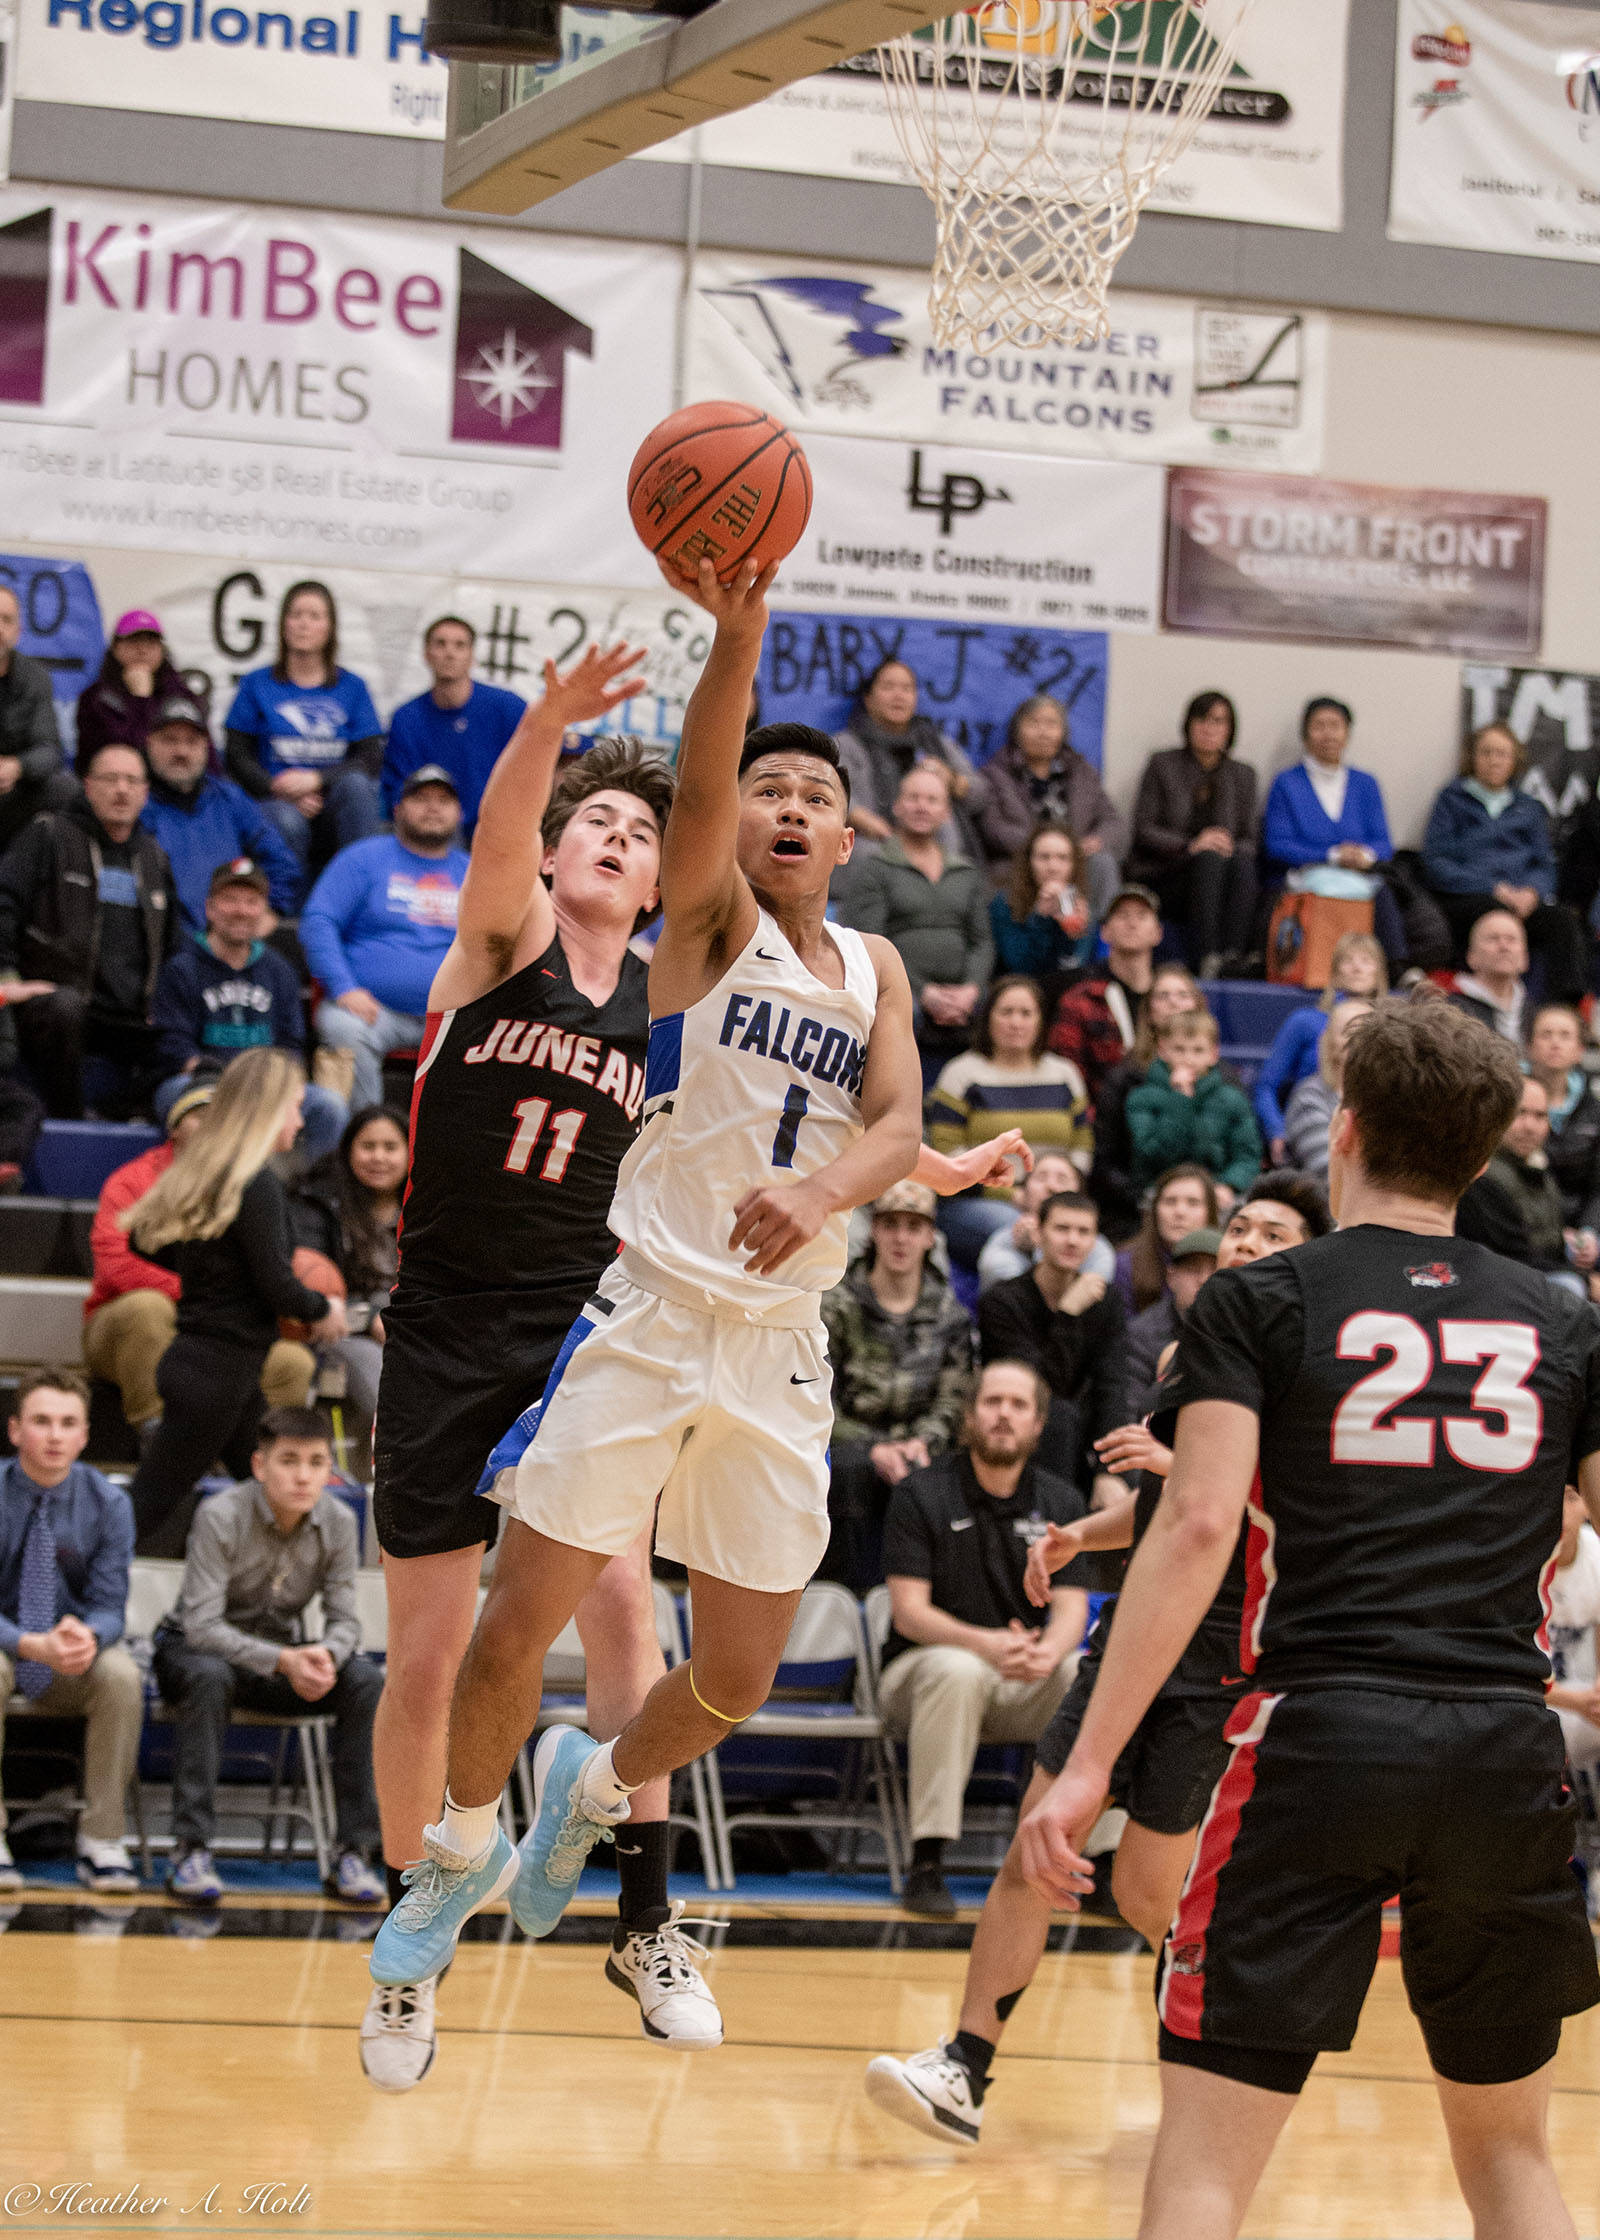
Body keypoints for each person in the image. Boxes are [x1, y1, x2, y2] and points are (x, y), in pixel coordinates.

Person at [368, 556, 1025, 2004]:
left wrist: (862, 1182)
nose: (783, 809)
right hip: (634, 1315)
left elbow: (898, 1122)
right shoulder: (701, 922)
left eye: (814, 798)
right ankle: (446, 1871)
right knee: (502, 1630)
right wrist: (739, 634)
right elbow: (709, 770)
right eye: (764, 794)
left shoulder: (873, 972)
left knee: (730, 1673)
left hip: (781, 1345)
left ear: (853, 833)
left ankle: (590, 1803)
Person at [1018, 1000, 1600, 2240]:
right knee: (1512, 2163)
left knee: (1205, 2171)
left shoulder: (1262, 1297)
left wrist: (1081, 1769)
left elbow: (1192, 1529)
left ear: (1343, 1129)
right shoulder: (1562, 1320)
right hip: (1505, 1749)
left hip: (1317, 1738)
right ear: (1486, 1155)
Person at [360, 659, 690, 2090]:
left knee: (623, 1597)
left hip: (577, 1334)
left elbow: (788, 1120)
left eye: (642, 832)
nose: (617, 839)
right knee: (429, 1654)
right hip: (441, 1329)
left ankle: (648, 1911)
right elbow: (504, 837)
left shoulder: (667, 1016)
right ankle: (411, 1939)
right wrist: (549, 729)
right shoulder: (499, 949)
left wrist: (920, 1157)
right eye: (594, 823)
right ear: (554, 853)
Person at [864, 1174, 1329, 2148]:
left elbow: (1295, 1516)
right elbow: (1166, 1512)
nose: (1243, 1240)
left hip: (1221, 1655)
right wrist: (1085, 1532)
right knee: (1043, 1837)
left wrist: (1188, 1469)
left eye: (1269, 1233)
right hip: (1130, 1645)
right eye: (1236, 1226)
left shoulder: (1308, 1371)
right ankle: (964, 2066)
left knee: (1146, 1892)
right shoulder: (1182, 1352)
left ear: (1303, 1259)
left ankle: (1236, 2062)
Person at [877, 1360, 1094, 1918]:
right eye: (992, 1402)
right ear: (969, 1415)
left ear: (1039, 1423)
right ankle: (928, 1860)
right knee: (958, 1670)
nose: (1004, 1415)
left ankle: (1099, 1859)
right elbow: (909, 1614)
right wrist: (989, 1645)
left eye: (1018, 1405)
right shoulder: (922, 1493)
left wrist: (1048, 1653)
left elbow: (1072, 1607)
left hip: (1023, 1679)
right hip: (920, 1677)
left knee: (1092, 1675)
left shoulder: (1062, 1502)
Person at [154, 1406, 385, 1906]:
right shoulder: (220, 1515)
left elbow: (346, 1620)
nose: (303, 1475)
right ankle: (191, 1850)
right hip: (193, 1652)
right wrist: (287, 1661)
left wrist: (324, 1654)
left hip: (281, 1654)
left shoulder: (340, 1523)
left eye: (316, 1462)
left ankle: (354, 1852)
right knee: (210, 1676)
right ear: (260, 1466)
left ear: (330, 1469)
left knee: (366, 1681)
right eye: (289, 1461)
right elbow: (202, 1626)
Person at [123, 1048, 344, 1560]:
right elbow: (278, 1286)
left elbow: (142, 1240)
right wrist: (323, 1309)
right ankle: (48, 1601)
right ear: (268, 1109)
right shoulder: (256, 1182)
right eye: (293, 1105)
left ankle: (279, 1610)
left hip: (218, 1368)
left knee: (277, 1494)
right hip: (215, 1374)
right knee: (145, 1507)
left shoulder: (220, 1175)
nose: (300, 1118)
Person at [82, 1080, 315, 1445]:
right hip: (123, 1329)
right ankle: (156, 1433)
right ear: (174, 1127)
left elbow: (273, 1271)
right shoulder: (132, 1180)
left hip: (211, 1335)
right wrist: (198, 1292)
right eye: (201, 1116)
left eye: (220, 1117)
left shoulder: (249, 1186)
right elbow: (115, 1262)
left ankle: (266, 1460)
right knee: (148, 1308)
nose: (213, 1125)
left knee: (293, 1364)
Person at [0, 1369, 142, 1895]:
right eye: (41, 1422)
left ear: (84, 1435)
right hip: (8, 1649)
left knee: (122, 1674)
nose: (54, 1436)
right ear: (16, 1430)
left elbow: (110, 1607)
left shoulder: (110, 1503)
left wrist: (85, 1635)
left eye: (67, 1423)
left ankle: (102, 1840)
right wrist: (26, 1643)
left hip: (69, 1653)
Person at [0, 739, 176, 1119]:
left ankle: (114, 1113)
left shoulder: (153, 858)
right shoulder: (49, 835)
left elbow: (173, 942)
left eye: (132, 781)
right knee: (64, 1010)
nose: (121, 790)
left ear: (145, 793)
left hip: (126, 1012)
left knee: (182, 1038)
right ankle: (71, 1120)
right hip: (52, 999)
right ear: (88, 786)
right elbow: (4, 904)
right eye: (110, 779)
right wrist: (8, 978)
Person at [817, 1180, 976, 1595]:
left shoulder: (949, 1315)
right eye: (891, 1225)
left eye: (913, 1226)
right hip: (848, 1446)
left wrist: (920, 1443)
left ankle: (932, 1604)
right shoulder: (837, 1305)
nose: (901, 1238)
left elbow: (952, 1400)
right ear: (874, 1231)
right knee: (849, 1472)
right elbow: (818, 1399)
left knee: (942, 1479)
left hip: (922, 1450)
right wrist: (873, 1449)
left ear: (930, 1237)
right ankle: (844, 1606)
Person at [151, 860, 346, 1160]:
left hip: (267, 1084)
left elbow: (291, 1045)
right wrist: (225, 1078)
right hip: (205, 1082)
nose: (241, 910)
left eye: (251, 902)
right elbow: (173, 1046)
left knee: (327, 1107)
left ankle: (309, 1197)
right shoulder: (181, 968)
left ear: (264, 910)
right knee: (175, 1092)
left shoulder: (279, 970)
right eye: (230, 900)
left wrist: (275, 1083)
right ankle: (201, 1188)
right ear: (210, 908)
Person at [301, 768, 470, 1110]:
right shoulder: (363, 858)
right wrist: (344, 986)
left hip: (454, 1018)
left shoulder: (476, 873)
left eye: (443, 801)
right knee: (343, 1030)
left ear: (460, 814)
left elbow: (502, 944)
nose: (432, 808)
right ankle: (363, 1144)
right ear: (397, 810)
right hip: (373, 1012)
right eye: (420, 799)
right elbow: (318, 921)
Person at [837, 760, 992, 1074]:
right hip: (900, 995)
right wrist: (923, 992)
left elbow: (982, 941)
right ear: (897, 806)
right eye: (914, 798)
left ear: (947, 812)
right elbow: (867, 946)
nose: (922, 807)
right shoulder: (875, 868)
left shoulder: (965, 872)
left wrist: (971, 989)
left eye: (933, 800)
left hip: (964, 996)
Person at [926, 976, 1091, 1270]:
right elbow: (949, 1157)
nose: (1016, 1022)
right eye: (1006, 1012)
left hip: (1056, 1197)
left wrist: (1058, 1194)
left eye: (1026, 1013)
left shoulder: (1065, 1074)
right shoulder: (962, 1074)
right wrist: (1015, 1195)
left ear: (1041, 1021)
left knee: (1082, 1240)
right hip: (979, 1201)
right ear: (988, 1018)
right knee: (1028, 1232)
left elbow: (1081, 1147)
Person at [978, 1190, 1127, 1506]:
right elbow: (1039, 1388)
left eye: (1083, 1232)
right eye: (1062, 1229)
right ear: (1039, 1233)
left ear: (1094, 1241)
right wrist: (1069, 1314)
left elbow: (1112, 1387)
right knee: (1058, 1417)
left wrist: (1109, 1472)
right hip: (1021, 1432)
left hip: (1087, 1438)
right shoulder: (1003, 1301)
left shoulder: (1107, 1302)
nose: (1072, 1240)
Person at [1422, 722, 1589, 1002]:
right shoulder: (1451, 800)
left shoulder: (1529, 807)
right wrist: (1492, 888)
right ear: (1472, 758)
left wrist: (1532, 892)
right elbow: (1436, 862)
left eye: (1502, 753)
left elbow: (1545, 864)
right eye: (1486, 752)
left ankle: (1564, 1011)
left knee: (1562, 923)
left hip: (1522, 901)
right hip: (1469, 898)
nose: (1494, 760)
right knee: (1496, 914)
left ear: (1514, 761)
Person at [224, 581, 384, 870]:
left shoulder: (353, 688)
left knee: (359, 787)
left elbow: (370, 759)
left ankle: (361, 891)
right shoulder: (256, 684)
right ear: (283, 624)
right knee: (287, 821)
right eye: (296, 615)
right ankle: (288, 912)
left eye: (314, 616)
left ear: (330, 627)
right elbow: (236, 754)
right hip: (274, 802)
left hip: (333, 805)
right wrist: (277, 788)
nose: (303, 624)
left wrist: (316, 780)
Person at [291, 1106, 407, 1476]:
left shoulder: (427, 1210)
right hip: (343, 1333)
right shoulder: (319, 1205)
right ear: (347, 1151)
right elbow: (310, 1291)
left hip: (410, 1328)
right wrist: (371, 1316)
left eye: (390, 1147)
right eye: (367, 1146)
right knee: (389, 1387)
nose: (379, 1157)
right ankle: (388, 1479)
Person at [1261, 697, 1407, 969]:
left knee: (1384, 892)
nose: (1328, 734)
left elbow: (1383, 843)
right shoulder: (1287, 782)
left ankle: (1396, 968)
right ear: (1305, 736)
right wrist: (1332, 855)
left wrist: (1363, 855)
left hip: (1358, 874)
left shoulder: (1366, 783)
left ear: (1347, 734)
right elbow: (1277, 844)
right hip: (1305, 875)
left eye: (1335, 726)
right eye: (1319, 726)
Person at [140, 692, 301, 930]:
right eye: (170, 740)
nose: (181, 752)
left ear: (206, 748)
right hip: (165, 945)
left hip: (228, 943)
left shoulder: (230, 800)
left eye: (191, 742)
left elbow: (281, 863)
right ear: (150, 744)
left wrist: (271, 909)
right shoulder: (136, 804)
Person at [1128, 692, 1259, 976]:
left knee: (1242, 863)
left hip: (1226, 873)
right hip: (1167, 873)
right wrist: (1193, 844)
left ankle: (1234, 956)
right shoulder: (1163, 765)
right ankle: (1207, 957)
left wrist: (1227, 846)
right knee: (1209, 858)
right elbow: (1145, 830)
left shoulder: (1243, 775)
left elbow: (1251, 839)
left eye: (1218, 721)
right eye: (1202, 719)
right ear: (1188, 724)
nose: (1209, 728)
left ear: (1230, 729)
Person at [978, 695, 1126, 922]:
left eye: (1051, 724)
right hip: (1021, 861)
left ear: (1063, 732)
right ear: (1017, 731)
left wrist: (1096, 841)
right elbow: (993, 827)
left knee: (1103, 863)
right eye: (1034, 723)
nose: (1043, 732)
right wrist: (1042, 850)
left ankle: (1103, 941)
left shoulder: (1081, 771)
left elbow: (1113, 821)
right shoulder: (995, 773)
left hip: (1076, 858)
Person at [1089, 963, 1210, 1239]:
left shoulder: (1223, 1078)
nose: (1174, 1003)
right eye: (1163, 996)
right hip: (1135, 1204)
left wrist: (1223, 1187)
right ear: (1148, 1008)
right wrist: (1146, 1197)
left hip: (1209, 1202)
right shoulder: (1124, 1077)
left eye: (1182, 995)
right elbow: (1106, 1159)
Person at [381, 617, 526, 836]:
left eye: (460, 645)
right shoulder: (406, 718)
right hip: (432, 833)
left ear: (471, 656)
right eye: (440, 644)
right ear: (426, 654)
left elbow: (532, 771)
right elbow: (398, 789)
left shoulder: (508, 708)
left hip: (497, 831)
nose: (450, 653)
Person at [831, 658, 986, 859]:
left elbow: (981, 796)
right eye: (888, 687)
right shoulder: (845, 745)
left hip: (939, 849)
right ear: (868, 698)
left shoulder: (937, 744)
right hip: (873, 845)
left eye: (907, 689)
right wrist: (861, 819)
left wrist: (952, 779)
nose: (899, 695)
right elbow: (828, 793)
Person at [1252, 931, 1387, 1160]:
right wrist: (1277, 1131)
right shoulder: (1305, 1021)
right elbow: (1265, 1086)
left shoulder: (1392, 1025)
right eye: (1348, 960)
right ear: (1335, 971)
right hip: (1313, 1120)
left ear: (1379, 972)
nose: (1357, 968)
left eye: (1366, 960)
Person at [1456, 1075, 1585, 1290]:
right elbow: (1515, 1258)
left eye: (1540, 1116)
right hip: (1505, 1284)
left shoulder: (1540, 1167)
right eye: (1520, 1113)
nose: (1530, 1126)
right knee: (1571, 1286)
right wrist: (1587, 1279)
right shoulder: (1483, 1178)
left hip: (1543, 1272)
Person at [1125, 1008, 1263, 1203]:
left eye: (1198, 1050)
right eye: (1179, 1049)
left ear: (1213, 1054)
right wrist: (1180, 1099)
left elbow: (1247, 1156)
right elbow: (1151, 1154)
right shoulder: (1142, 1098)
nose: (1188, 1058)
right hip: (1159, 1193)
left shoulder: (1232, 1099)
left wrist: (1229, 1185)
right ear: (1163, 1050)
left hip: (1216, 1194)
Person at [1048, 884, 1164, 1114]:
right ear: (1104, 932)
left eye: (1142, 916)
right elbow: (1068, 1073)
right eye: (1122, 915)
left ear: (1158, 933)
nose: (1132, 923)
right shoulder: (1081, 997)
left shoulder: (1175, 996)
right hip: (1100, 1123)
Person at [1546, 1484, 1600, 1907]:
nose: (1563, 1510)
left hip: (1587, 1701)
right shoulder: (1523, 1555)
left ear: (1586, 1505)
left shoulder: (1596, 1556)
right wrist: (1575, 1702)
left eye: (1571, 1496)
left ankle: (1594, 1864)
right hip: (1540, 1698)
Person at [976, 1148, 1116, 1294]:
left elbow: (1094, 1303)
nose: (1051, 1187)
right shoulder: (1004, 1244)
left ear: (1080, 1193)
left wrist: (1039, 1248)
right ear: (1023, 1192)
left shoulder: (1098, 1249)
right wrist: (1030, 1252)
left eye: (1062, 1179)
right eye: (1041, 1178)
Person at [0, 583, 74, 855]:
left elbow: (49, 750)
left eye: (6, 620)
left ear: (18, 632)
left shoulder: (34, 677)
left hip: (10, 793)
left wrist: (16, 767)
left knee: (66, 790)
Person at [75, 610, 190, 770]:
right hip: (119, 782)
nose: (142, 650)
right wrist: (141, 699)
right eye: (134, 641)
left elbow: (203, 749)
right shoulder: (95, 699)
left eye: (151, 642)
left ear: (162, 650)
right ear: (116, 648)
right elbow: (125, 754)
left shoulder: (180, 694)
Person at [987, 819, 1095, 987]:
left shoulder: (1081, 904)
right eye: (1044, 857)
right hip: (1018, 993)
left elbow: (1076, 967)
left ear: (1074, 865)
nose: (1053, 867)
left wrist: (1073, 934)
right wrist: (1040, 917)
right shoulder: (1004, 903)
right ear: (1029, 862)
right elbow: (1019, 968)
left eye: (1063, 858)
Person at [1526, 1004, 1600, 1239]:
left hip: (1582, 1229)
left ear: (1580, 1050)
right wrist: (1558, 1237)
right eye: (1546, 1034)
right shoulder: (1510, 1100)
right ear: (1530, 1046)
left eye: (1565, 1035)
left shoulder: (1594, 1108)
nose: (1555, 1043)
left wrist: (1590, 1234)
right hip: (1529, 1229)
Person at [1125, 1227, 1221, 1405]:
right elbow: (1130, 1407)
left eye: (1215, 1270)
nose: (1204, 1280)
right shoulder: (1142, 1334)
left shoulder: (1241, 1330)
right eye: (1193, 1269)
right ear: (1171, 1277)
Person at [1281, 998, 1374, 1181]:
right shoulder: (1309, 1097)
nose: (1360, 1039)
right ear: (1331, 1044)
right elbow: (1329, 1169)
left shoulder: (1389, 1098)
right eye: (1351, 1031)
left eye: (1368, 1031)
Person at [1114, 1163, 1220, 1316]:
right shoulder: (1125, 1264)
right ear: (1155, 1210)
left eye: (1193, 1202)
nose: (1180, 1212)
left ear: (1210, 1212)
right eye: (1170, 1201)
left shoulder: (1226, 1262)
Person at [1445, 905, 1532, 1044]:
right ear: (1471, 957)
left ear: (1525, 958)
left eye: (1511, 939)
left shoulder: (1537, 1014)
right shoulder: (1449, 1009)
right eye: (1493, 938)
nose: (1504, 946)